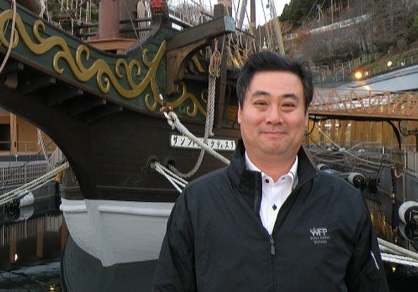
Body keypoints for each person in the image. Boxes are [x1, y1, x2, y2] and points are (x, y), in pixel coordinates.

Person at [153, 51, 388, 291]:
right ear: (241, 115)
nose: (274, 117)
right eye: (261, 103)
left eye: (288, 105)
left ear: (306, 117)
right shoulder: (195, 205)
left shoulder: (345, 204)